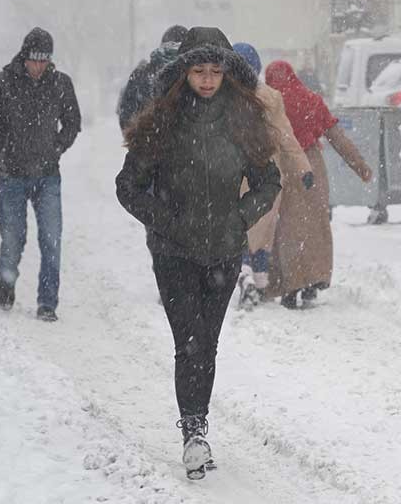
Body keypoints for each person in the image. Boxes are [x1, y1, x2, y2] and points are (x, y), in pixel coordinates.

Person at [115, 27, 281, 479]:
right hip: (173, 252)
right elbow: (127, 186)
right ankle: (194, 433)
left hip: (224, 251)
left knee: (205, 343)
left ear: (227, 73)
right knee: (188, 341)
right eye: (198, 71)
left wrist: (239, 217)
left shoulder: (243, 121)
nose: (207, 80)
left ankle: (196, 426)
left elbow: (269, 181)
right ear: (183, 73)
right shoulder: (162, 121)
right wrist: (167, 221)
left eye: (215, 71)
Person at [0, 27, 81, 322]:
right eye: (34, 59)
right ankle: (7, 281)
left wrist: (57, 147)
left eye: (44, 60)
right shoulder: (1, 83)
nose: (38, 66)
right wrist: (1, 147)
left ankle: (48, 302)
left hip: (48, 175)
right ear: (24, 56)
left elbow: (73, 122)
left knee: (51, 240)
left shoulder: (60, 84)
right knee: (13, 237)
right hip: (12, 176)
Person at [264, 60, 372, 308]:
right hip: (312, 167)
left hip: (280, 166)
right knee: (315, 224)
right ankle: (315, 279)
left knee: (287, 227)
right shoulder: (311, 99)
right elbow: (337, 136)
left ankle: (291, 284)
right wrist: (359, 165)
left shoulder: (270, 102)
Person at [232, 42, 313, 309]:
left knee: (240, 230)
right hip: (267, 174)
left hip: (233, 174)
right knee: (262, 232)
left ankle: (247, 280)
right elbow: (286, 135)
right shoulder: (271, 97)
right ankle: (259, 282)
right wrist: (304, 167)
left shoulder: (222, 98)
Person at [117, 24, 188, 131]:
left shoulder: (141, 73)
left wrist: (139, 139)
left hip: (147, 141)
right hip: (187, 143)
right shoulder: (195, 72)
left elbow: (126, 114)